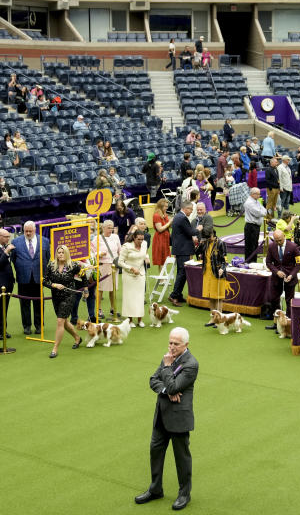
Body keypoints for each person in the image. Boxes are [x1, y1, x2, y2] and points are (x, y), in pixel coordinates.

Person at [137, 326, 197, 510]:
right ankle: (155, 489)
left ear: (186, 344)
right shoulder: (168, 357)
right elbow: (153, 380)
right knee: (155, 452)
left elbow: (173, 386)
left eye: (176, 344)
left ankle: (184, 494)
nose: (171, 347)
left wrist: (169, 373)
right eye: (170, 342)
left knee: (182, 458)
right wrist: (166, 390)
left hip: (179, 419)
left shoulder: (191, 364)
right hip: (161, 417)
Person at [12, 221, 49, 336]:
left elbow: (47, 258)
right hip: (23, 278)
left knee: (39, 303)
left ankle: (39, 326)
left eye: (30, 231)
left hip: (39, 277)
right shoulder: (15, 242)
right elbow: (13, 259)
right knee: (24, 303)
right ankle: (27, 326)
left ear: (35, 230)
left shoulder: (45, 241)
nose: (28, 233)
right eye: (26, 231)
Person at [264, 229, 300, 322]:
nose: (278, 242)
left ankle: (289, 322)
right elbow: (268, 262)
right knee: (274, 299)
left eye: (280, 240)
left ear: (284, 236)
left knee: (289, 301)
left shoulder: (293, 247)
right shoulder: (272, 246)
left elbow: (299, 263)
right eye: (276, 240)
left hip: (290, 279)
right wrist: (276, 272)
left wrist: (291, 275)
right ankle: (276, 323)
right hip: (276, 278)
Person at [118, 229, 151, 327]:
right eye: (139, 239)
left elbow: (145, 252)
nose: (141, 241)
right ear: (134, 238)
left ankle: (140, 320)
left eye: (142, 239)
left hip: (140, 273)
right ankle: (130, 320)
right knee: (130, 297)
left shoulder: (144, 243)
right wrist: (131, 268)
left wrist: (147, 257)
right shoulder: (126, 246)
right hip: (128, 275)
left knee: (140, 297)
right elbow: (120, 262)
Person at [168, 202, 197, 308]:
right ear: (186, 208)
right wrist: (198, 229)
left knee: (182, 272)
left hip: (180, 249)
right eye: (191, 209)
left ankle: (178, 295)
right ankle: (174, 295)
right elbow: (190, 232)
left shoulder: (178, 216)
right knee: (182, 273)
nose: (191, 211)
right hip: (183, 249)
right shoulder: (182, 218)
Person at [92, 220, 121, 319]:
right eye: (108, 227)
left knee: (113, 289)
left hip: (114, 265)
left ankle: (113, 309)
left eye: (112, 227)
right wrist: (99, 254)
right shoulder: (97, 238)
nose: (110, 229)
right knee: (100, 289)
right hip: (103, 265)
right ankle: (98, 310)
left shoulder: (116, 237)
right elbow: (91, 253)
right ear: (103, 228)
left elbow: (119, 250)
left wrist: (120, 261)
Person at [242, 187, 266, 263]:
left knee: (255, 246)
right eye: (258, 194)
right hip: (251, 226)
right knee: (250, 246)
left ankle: (253, 262)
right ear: (253, 194)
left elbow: (263, 210)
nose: (259, 195)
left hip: (255, 226)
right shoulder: (249, 203)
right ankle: (249, 262)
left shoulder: (256, 201)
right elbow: (259, 213)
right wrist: (263, 212)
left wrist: (263, 212)